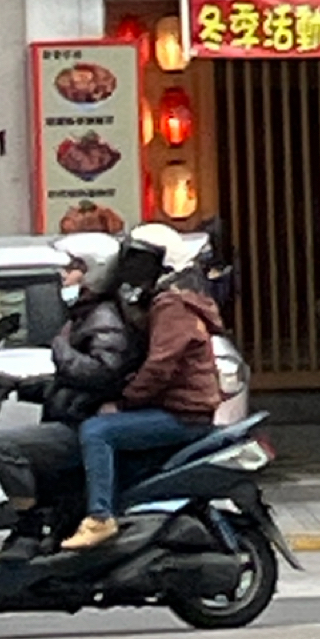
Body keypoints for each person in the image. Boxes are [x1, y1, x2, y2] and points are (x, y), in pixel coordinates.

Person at [61, 223, 224, 551]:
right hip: (176, 407)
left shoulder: (171, 305)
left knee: (97, 431)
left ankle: (100, 517)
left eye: (139, 260)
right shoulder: (164, 301)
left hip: (184, 413)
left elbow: (160, 366)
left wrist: (125, 402)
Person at [0, 234, 140, 561]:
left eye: (73, 268)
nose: (64, 276)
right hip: (74, 416)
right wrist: (16, 385)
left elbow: (103, 372)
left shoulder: (104, 318)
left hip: (81, 425)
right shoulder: (84, 315)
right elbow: (71, 381)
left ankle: (30, 526)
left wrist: (60, 350)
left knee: (2, 446)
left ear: (95, 271)